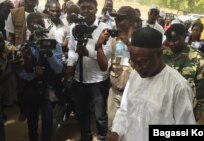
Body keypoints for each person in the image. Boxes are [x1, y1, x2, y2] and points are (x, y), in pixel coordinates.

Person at [106, 27, 196, 141]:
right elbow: (124, 110)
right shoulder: (134, 76)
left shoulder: (178, 86)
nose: (137, 67)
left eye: (143, 62)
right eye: (134, 61)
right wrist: (116, 132)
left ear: (159, 53)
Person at [66, 0, 112, 140]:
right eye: (83, 8)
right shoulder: (75, 26)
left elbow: (107, 55)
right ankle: (86, 137)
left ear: (96, 9)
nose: (86, 11)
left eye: (89, 8)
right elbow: (72, 49)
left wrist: (88, 53)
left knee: (100, 115)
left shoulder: (104, 29)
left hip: (98, 80)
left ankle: (102, 137)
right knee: (82, 112)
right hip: (80, 78)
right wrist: (70, 64)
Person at [15, 12, 63, 141]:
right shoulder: (25, 47)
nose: (38, 28)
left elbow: (58, 69)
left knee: (47, 121)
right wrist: (33, 73)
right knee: (32, 121)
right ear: (29, 27)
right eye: (34, 25)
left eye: (41, 24)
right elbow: (20, 73)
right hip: (31, 90)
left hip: (48, 89)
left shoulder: (54, 45)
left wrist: (49, 54)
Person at [163, 23, 204, 123]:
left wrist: (199, 109)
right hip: (164, 103)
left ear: (184, 37)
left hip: (186, 105)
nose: (172, 43)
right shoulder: (163, 54)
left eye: (175, 40)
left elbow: (202, 85)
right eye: (169, 40)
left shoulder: (197, 57)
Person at [107, 6, 136, 130]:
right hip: (115, 90)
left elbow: (143, 63)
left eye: (120, 19)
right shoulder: (114, 39)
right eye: (116, 19)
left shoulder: (140, 39)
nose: (116, 22)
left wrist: (128, 44)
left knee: (130, 128)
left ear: (130, 21)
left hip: (133, 93)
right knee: (112, 125)